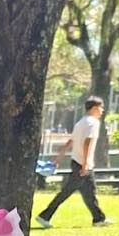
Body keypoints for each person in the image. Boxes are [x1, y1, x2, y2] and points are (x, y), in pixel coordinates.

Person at [35, 96, 112, 228]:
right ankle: (44, 216)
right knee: (67, 192)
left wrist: (58, 157)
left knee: (89, 193)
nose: (102, 111)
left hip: (77, 162)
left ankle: (98, 218)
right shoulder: (93, 123)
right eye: (101, 108)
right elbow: (87, 142)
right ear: (94, 108)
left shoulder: (80, 122)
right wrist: (85, 164)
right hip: (82, 164)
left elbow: (71, 141)